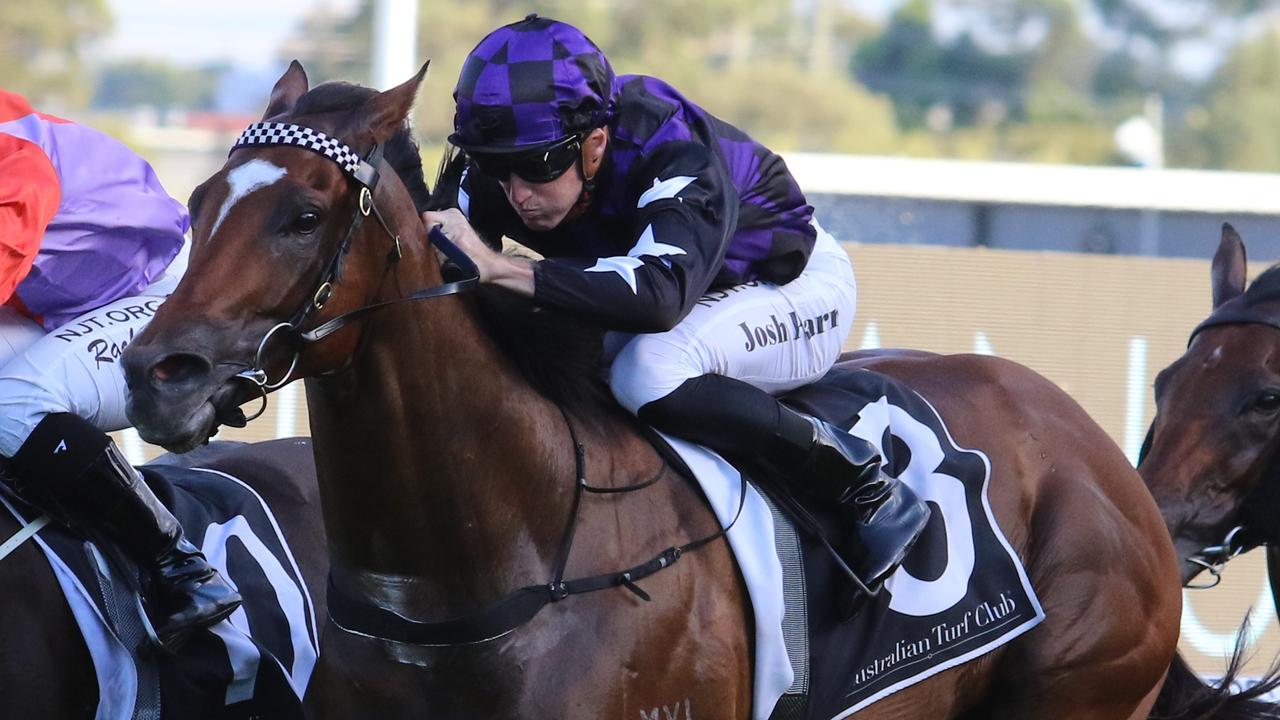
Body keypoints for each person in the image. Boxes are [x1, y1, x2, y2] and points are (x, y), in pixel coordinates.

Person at [424, 15, 930, 594]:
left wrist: (501, 268)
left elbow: (661, 298)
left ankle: (860, 481)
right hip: (689, 297)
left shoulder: (669, 144)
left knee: (647, 371)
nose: (516, 193)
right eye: (495, 165)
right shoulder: (508, 164)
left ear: (595, 144)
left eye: (539, 165)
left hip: (790, 288)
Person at [0, 88, 240, 651]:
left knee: (11, 403)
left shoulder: (11, 157)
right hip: (63, 303)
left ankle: (179, 566)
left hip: (160, 295)